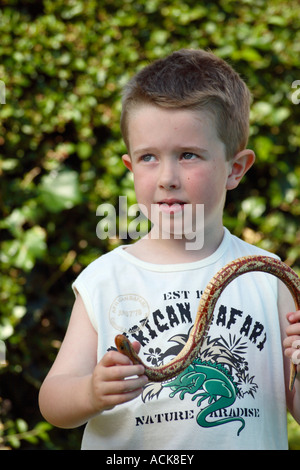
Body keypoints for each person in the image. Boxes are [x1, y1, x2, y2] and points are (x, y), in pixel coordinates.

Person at [38, 49, 300, 450]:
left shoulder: (267, 276)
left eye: (188, 155)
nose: (167, 178)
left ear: (235, 168)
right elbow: (53, 401)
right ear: (130, 167)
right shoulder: (105, 279)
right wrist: (90, 393)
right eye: (148, 158)